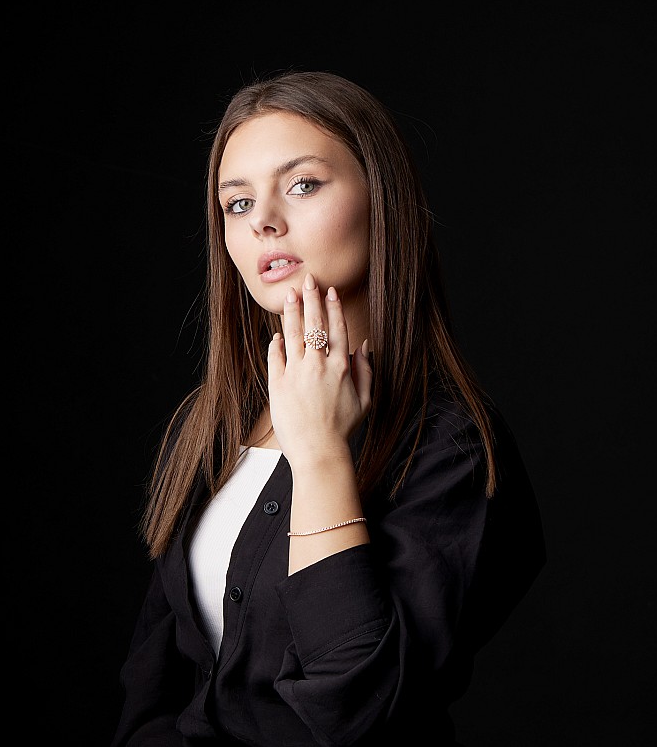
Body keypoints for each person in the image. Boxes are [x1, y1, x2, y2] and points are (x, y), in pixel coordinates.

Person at [111, 69, 546, 747]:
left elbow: (360, 709)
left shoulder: (452, 449)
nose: (265, 222)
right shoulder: (210, 426)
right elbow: (152, 682)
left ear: (383, 199)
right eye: (236, 203)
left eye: (303, 185)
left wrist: (318, 453)